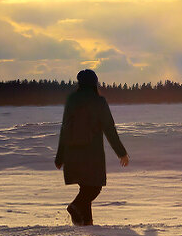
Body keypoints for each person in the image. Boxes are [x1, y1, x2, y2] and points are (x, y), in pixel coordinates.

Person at [55, 68, 128, 225]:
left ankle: (86, 223)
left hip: (72, 152)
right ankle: (75, 207)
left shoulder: (72, 100)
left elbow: (65, 128)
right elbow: (109, 128)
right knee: (94, 188)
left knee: (86, 187)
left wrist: (60, 156)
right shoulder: (98, 101)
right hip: (91, 154)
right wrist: (121, 153)